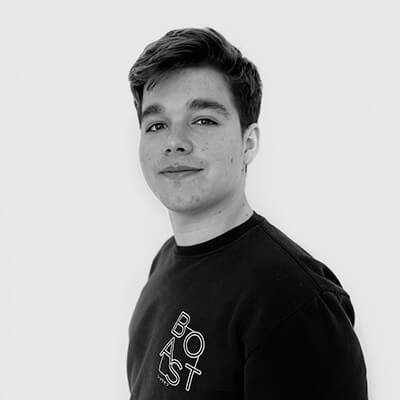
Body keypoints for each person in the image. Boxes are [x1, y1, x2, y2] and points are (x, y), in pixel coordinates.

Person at [126, 27, 368, 399]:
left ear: (248, 142)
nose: (174, 142)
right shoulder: (165, 263)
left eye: (203, 120)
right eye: (156, 125)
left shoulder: (294, 302)